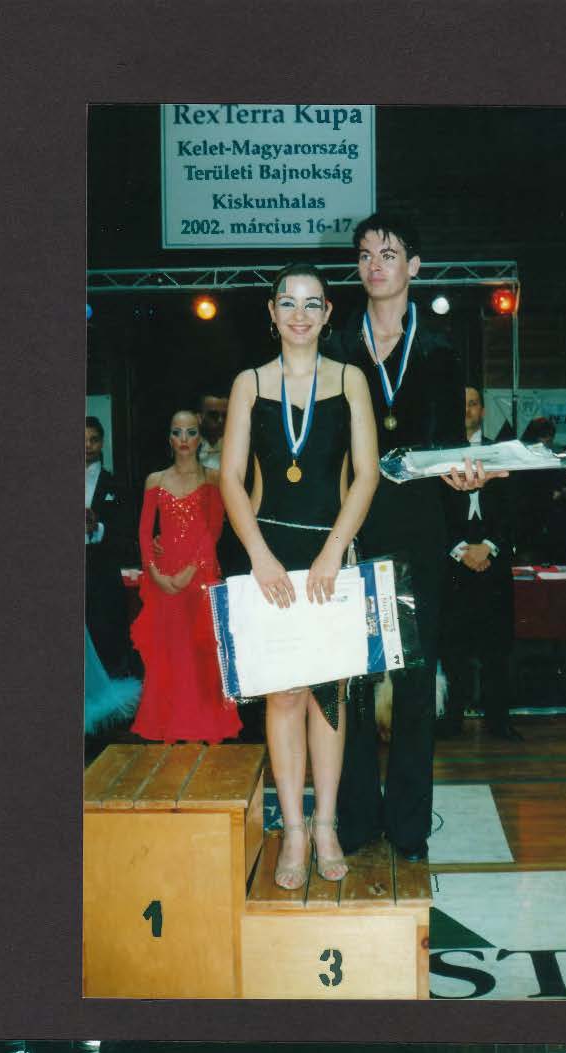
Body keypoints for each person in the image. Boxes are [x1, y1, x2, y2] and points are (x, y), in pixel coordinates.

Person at [328, 214, 501, 861]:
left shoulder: (442, 347)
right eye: (366, 254)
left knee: (413, 678)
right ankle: (355, 818)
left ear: (414, 266)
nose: (376, 265)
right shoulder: (337, 343)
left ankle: (408, 826)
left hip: (420, 528)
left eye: (389, 253)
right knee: (352, 677)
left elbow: (449, 445)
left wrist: (463, 477)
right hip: (353, 525)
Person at [221, 262, 379, 887]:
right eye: (288, 302)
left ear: (328, 313)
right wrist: (258, 556)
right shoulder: (249, 383)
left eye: (313, 303)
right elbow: (230, 478)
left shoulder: (350, 379)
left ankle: (326, 824)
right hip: (269, 554)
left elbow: (366, 474)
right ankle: (292, 829)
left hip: (330, 551)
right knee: (284, 694)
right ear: (271, 312)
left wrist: (334, 552)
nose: (300, 314)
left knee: (328, 695)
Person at [128, 409, 242, 744]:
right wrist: (155, 573)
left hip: (201, 574)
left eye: (191, 432)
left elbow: (214, 530)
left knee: (201, 651)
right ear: (169, 438)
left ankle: (204, 725)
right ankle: (169, 724)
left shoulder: (213, 479)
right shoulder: (155, 480)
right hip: (163, 579)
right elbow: (144, 533)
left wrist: (190, 570)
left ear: (199, 438)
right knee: (169, 651)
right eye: (177, 432)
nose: (184, 439)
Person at [436, 386, 520, 742]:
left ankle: (499, 722)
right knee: (453, 647)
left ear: (483, 410)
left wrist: (488, 547)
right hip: (453, 567)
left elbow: (516, 507)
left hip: (493, 565)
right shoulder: (438, 455)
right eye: (461, 404)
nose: (467, 410)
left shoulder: (502, 453)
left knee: (497, 649)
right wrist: (460, 550)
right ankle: (452, 720)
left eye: (473, 404)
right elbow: (433, 510)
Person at [85, 415, 135, 677]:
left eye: (93, 440)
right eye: (83, 440)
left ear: (102, 442)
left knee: (105, 631)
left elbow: (126, 533)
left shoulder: (115, 484)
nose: (88, 445)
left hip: (102, 571)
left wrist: (99, 528)